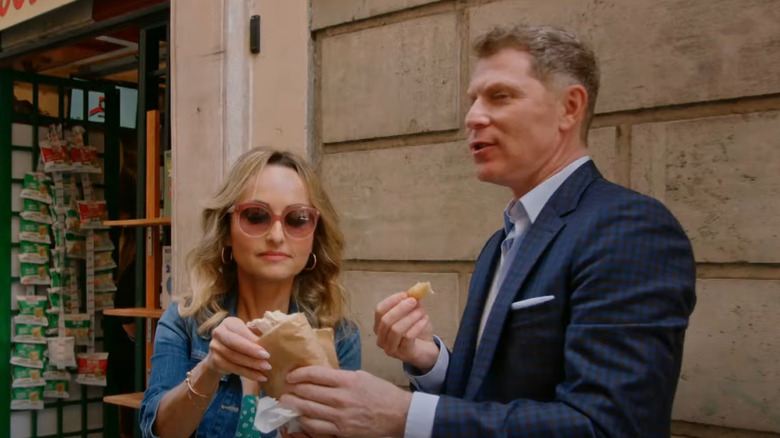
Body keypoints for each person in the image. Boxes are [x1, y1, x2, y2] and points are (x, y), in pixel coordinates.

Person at [278, 24, 696, 438]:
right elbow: (490, 400)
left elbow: (608, 426)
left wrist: (405, 414)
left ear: (570, 107)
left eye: (500, 96)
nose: (473, 117)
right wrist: (431, 363)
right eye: (472, 100)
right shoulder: (503, 240)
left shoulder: (629, 229)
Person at [139, 147, 361, 438]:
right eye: (256, 216)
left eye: (297, 219)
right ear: (227, 231)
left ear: (315, 237)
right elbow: (156, 431)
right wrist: (210, 369)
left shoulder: (339, 335)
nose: (277, 236)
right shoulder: (186, 320)